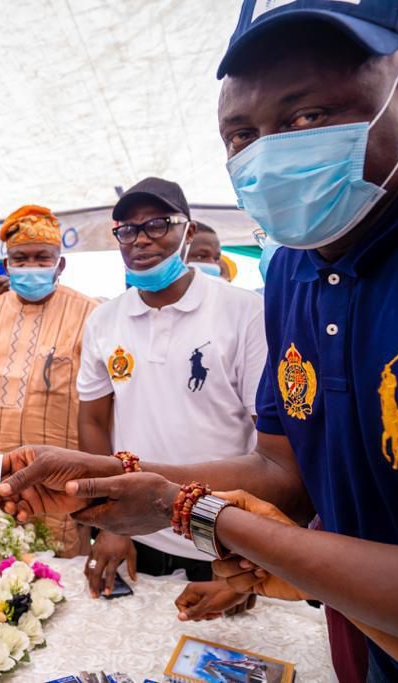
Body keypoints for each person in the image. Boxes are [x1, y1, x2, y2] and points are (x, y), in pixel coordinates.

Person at [0, 1, 398, 678]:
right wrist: (112, 477)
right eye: (242, 135)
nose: (271, 152)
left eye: (308, 118)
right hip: (367, 641)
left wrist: (185, 509)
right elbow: (285, 477)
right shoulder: (298, 265)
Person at [78, 178, 266, 606]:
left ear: (189, 231)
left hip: (221, 530)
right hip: (136, 528)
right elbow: (92, 419)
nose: (140, 240)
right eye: (127, 229)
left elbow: (266, 438)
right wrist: (111, 523)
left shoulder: (243, 311)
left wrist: (250, 556)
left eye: (157, 225)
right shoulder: (104, 320)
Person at [0, 205, 97, 557]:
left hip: (60, 485)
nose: (31, 266)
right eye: (21, 258)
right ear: (7, 265)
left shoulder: (91, 315)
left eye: (42, 257)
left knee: (58, 590)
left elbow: (101, 409)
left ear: (60, 264)